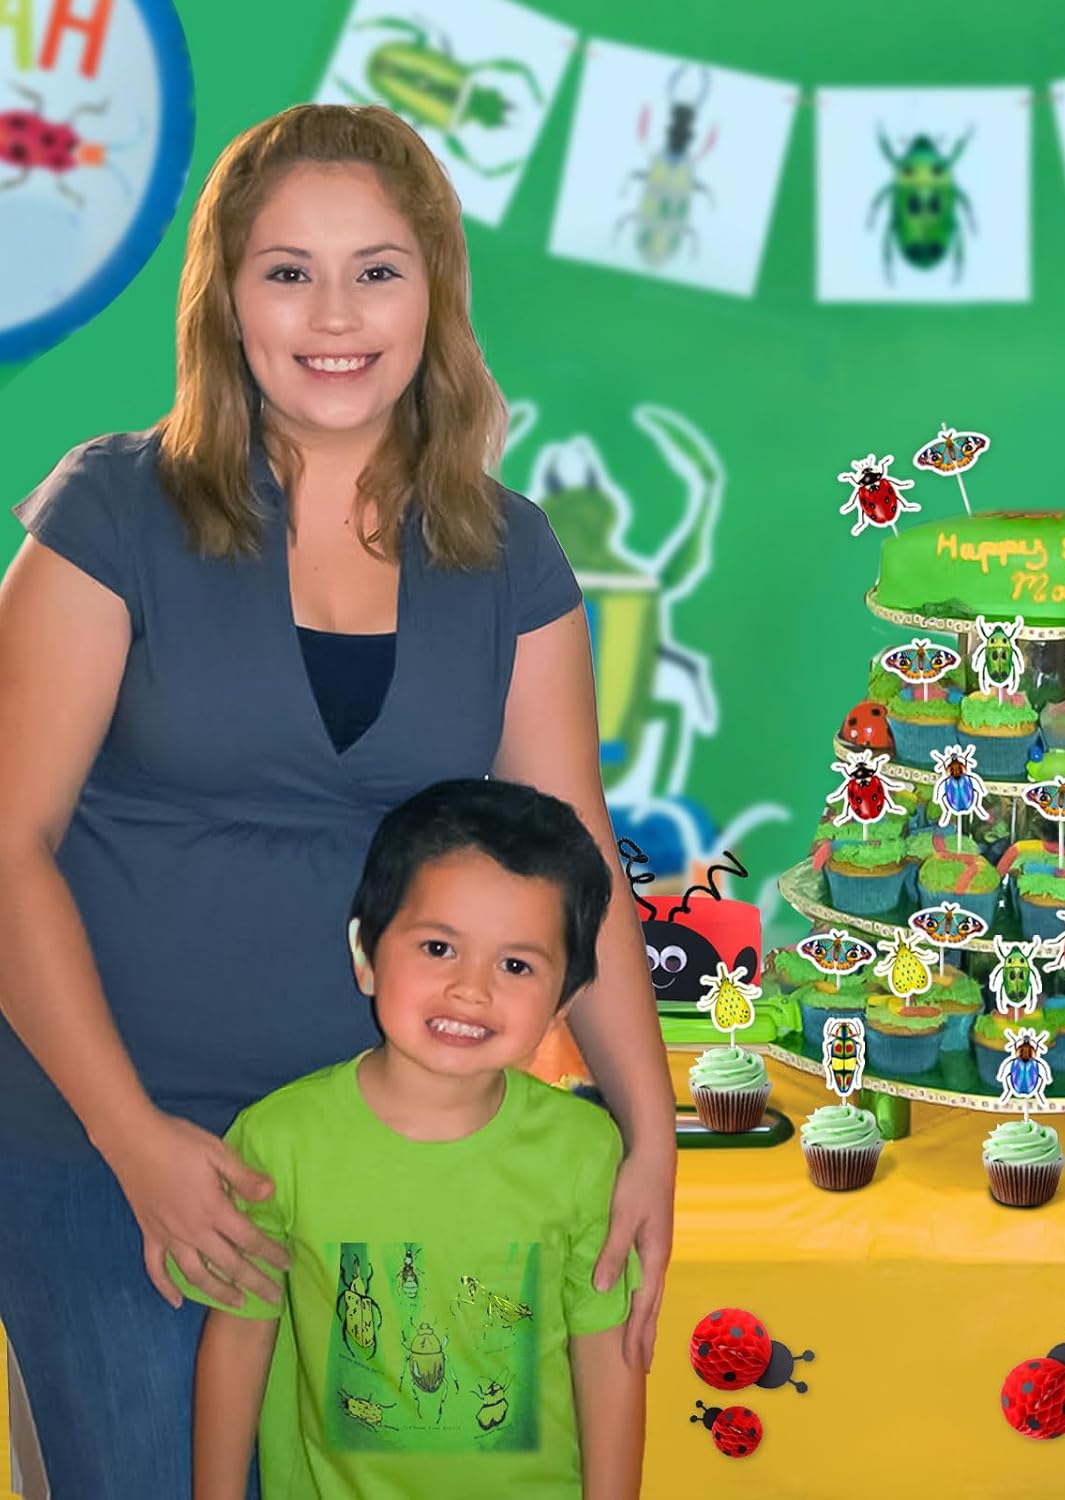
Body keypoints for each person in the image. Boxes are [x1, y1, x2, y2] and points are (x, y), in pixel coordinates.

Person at [0, 104, 674, 1500]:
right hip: (110, 1130)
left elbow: (579, 863)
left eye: (376, 270)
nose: (334, 315)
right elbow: (7, 848)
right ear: (225, 297)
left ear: (435, 292)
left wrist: (649, 1138)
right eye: (287, 271)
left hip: (395, 1150)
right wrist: (134, 1142)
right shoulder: (112, 512)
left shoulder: (508, 551)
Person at [184, 777, 643, 1500]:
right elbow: (239, 1338)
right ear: (366, 954)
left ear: (566, 1000)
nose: (471, 989)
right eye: (438, 947)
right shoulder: (278, 1142)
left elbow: (607, 1356)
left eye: (516, 965)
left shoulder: (584, 1153)